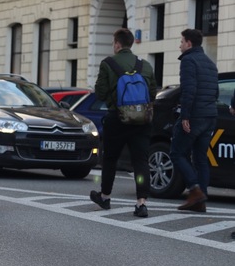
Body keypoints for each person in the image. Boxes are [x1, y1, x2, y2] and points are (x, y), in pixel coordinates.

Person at [90, 28, 157, 218]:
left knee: (110, 159)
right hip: (142, 120)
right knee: (140, 161)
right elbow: (152, 93)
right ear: (132, 43)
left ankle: (105, 196)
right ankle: (141, 202)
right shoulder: (145, 65)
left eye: (113, 43)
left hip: (117, 118)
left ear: (117, 44)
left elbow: (100, 93)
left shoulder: (108, 64)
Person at [169, 29, 219, 213]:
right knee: (200, 159)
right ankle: (200, 202)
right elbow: (215, 92)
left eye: (181, 41)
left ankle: (195, 190)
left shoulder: (189, 61)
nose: (180, 45)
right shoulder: (210, 63)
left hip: (195, 115)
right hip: (210, 116)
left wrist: (185, 116)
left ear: (189, 43)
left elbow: (189, 91)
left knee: (176, 153)